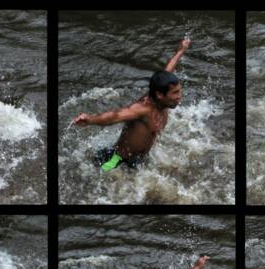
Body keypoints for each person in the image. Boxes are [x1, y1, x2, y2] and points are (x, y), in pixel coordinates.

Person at [72, 38, 191, 171]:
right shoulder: (142, 109)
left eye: (179, 91)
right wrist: (90, 120)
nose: (179, 96)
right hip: (116, 162)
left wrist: (181, 51)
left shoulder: (162, 97)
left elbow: (168, 71)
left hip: (138, 159)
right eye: (175, 93)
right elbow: (115, 116)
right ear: (160, 95)